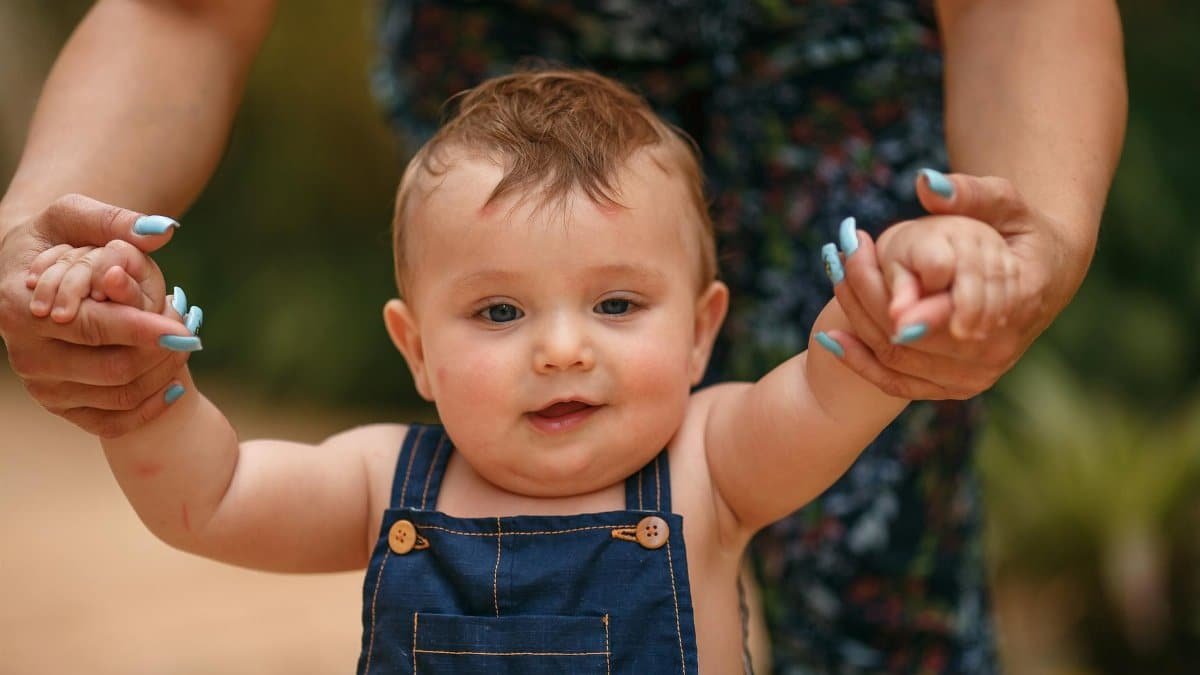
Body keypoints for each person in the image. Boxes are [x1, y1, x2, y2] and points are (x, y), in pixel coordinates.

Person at [0, 2, 1126, 672]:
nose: (560, 350)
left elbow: (855, 369)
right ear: (414, 348)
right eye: (498, 312)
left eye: (618, 306)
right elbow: (210, 498)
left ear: (703, 333)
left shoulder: (714, 463)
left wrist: (930, 280)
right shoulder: (386, 479)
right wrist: (141, 386)